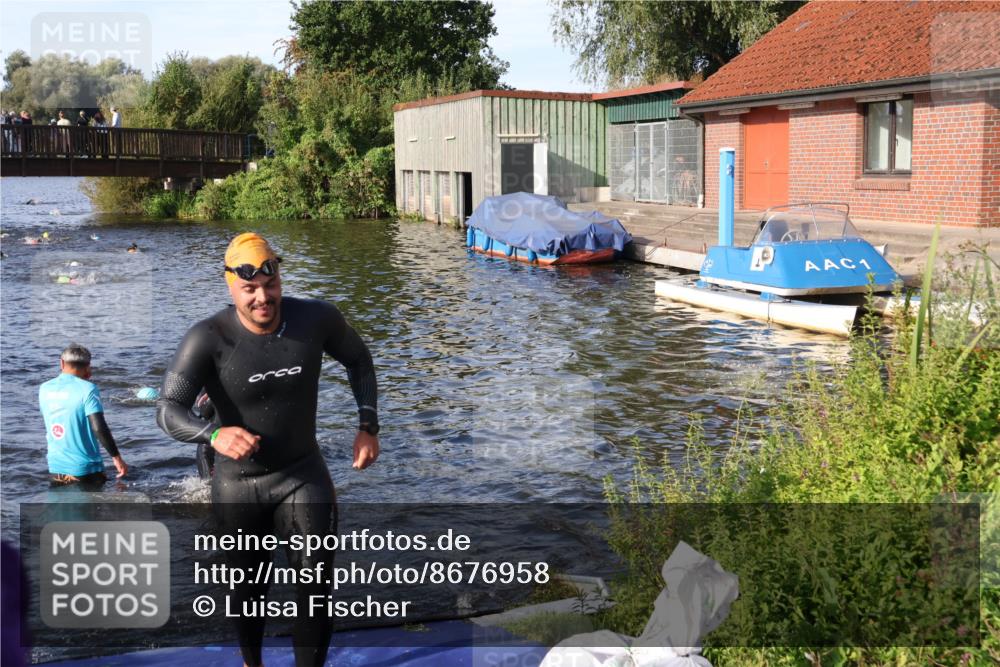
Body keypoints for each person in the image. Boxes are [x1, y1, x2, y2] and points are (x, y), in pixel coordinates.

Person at [156, 232, 380, 667]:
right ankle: (251, 663)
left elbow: (359, 360)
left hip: (302, 473)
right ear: (230, 287)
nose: (263, 297)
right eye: (250, 289)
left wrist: (367, 426)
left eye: (270, 285)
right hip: (238, 486)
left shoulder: (316, 319)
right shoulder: (207, 338)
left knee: (315, 587)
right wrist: (212, 436)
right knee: (248, 591)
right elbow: (167, 409)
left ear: (280, 278)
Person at [38, 344, 128, 487]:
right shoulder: (88, 389)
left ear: (61, 363)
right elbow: (98, 427)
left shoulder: (44, 388)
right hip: (86, 470)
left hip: (56, 469)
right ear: (88, 367)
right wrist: (116, 457)